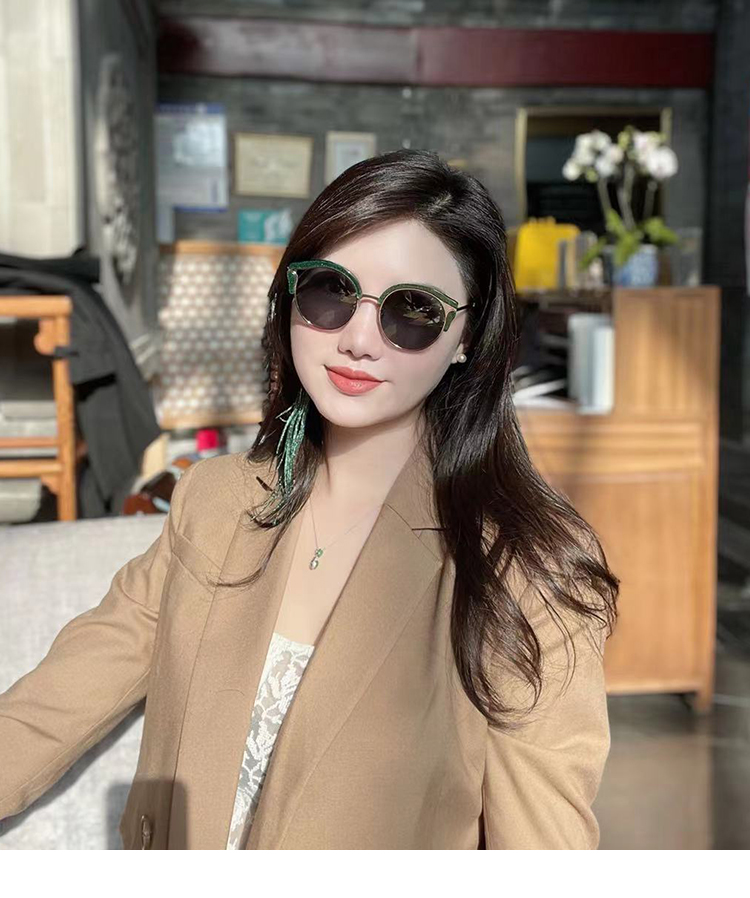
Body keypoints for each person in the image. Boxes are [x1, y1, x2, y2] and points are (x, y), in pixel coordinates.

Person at [0, 148, 619, 849]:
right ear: (291, 296)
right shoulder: (214, 501)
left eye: (413, 311)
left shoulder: (524, 568)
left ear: (465, 340)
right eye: (330, 290)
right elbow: (56, 704)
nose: (358, 340)